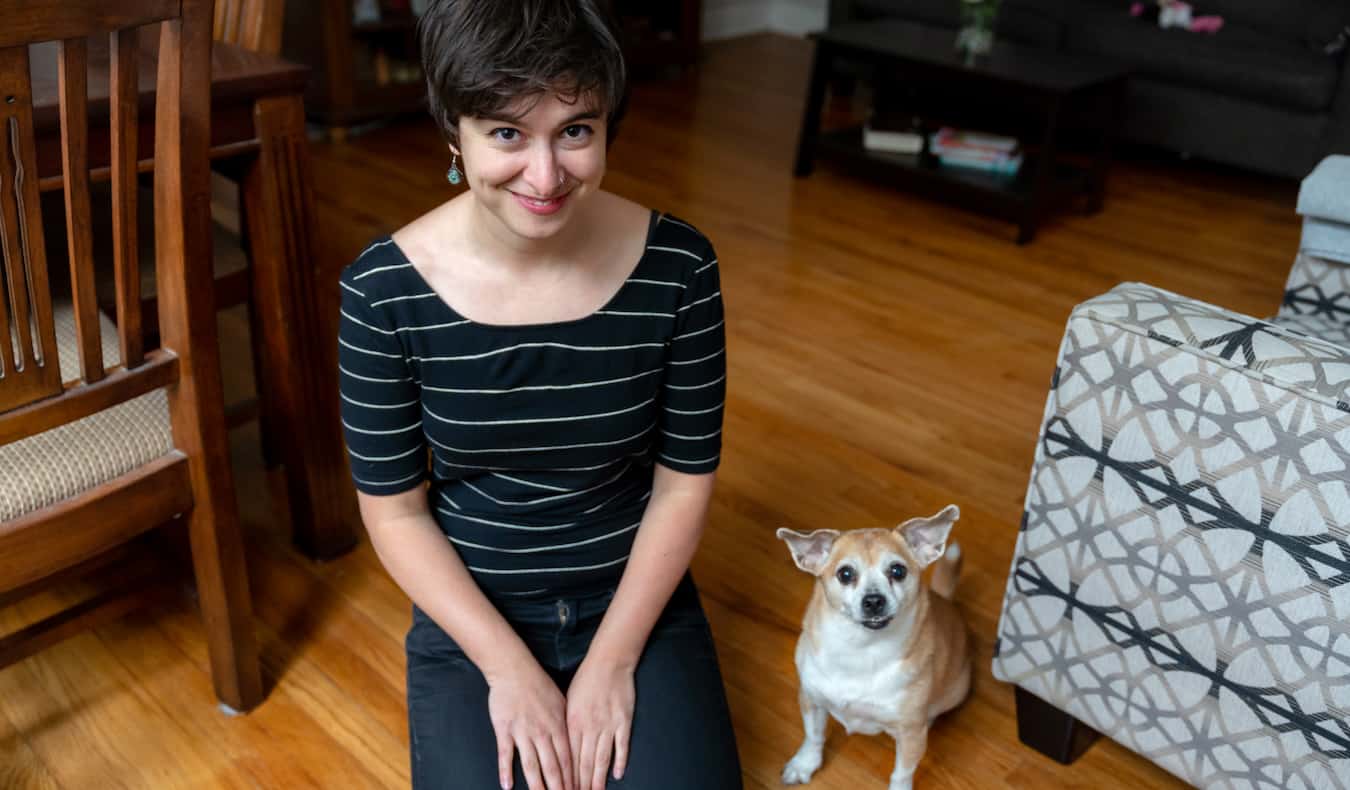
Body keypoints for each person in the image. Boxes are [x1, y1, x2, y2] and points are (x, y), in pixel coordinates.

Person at [336, 2, 742, 789]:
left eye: (576, 130)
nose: (547, 176)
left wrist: (615, 660)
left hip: (633, 598)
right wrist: (509, 671)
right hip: (474, 612)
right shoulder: (382, 291)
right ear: (455, 133)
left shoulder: (682, 269)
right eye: (508, 133)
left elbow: (683, 484)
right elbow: (395, 511)